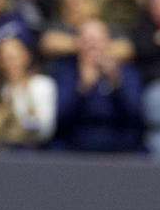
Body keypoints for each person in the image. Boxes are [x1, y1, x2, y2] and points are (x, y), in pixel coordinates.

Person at [51, 19, 145, 151]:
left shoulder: (126, 72)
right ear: (77, 43)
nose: (92, 45)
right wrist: (83, 86)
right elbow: (60, 117)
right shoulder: (66, 71)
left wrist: (117, 82)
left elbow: (136, 113)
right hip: (75, 144)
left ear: (107, 42)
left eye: (97, 40)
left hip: (119, 145)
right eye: (86, 40)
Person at [0, 35, 57, 145]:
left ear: (26, 56)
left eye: (12, 58)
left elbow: (44, 127)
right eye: (2, 59)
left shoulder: (42, 85)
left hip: (37, 150)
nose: (8, 64)